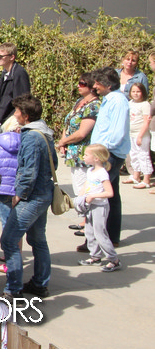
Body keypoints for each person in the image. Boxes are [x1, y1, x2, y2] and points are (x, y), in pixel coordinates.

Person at [2, 94, 56, 299]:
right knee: (38, 239)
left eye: (17, 112)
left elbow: (28, 171)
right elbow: (53, 163)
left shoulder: (31, 137)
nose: (15, 115)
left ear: (25, 115)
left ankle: (13, 289)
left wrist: (19, 194)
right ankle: (40, 284)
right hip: (44, 193)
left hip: (32, 197)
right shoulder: (44, 132)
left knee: (9, 240)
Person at [89, 67, 130, 248]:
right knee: (112, 197)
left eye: (97, 84)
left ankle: (96, 240)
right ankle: (112, 236)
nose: (95, 87)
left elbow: (117, 133)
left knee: (99, 194)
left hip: (109, 154)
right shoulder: (110, 99)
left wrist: (102, 152)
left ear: (108, 85)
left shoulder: (118, 101)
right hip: (106, 153)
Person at [75, 144, 120, 272]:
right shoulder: (90, 171)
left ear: (96, 158)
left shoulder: (102, 173)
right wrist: (80, 197)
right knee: (89, 232)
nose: (83, 157)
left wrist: (93, 196)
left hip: (100, 207)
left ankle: (114, 259)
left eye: (86, 155)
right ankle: (95, 256)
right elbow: (86, 185)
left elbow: (109, 193)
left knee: (100, 233)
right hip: (90, 206)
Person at [56, 72, 101, 197]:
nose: (78, 86)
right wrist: (63, 141)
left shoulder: (94, 106)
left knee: (83, 191)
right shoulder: (80, 101)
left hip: (84, 154)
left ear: (91, 87)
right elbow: (69, 122)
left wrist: (63, 142)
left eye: (82, 84)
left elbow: (82, 133)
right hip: (73, 152)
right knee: (77, 189)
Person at [0, 120, 22, 274]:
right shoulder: (26, 141)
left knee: (6, 224)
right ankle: (17, 255)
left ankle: (10, 259)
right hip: (19, 189)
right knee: (17, 225)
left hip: (2, 188)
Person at [0, 43, 31, 130]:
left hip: (13, 123)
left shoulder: (19, 73)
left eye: (1, 56)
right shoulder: (5, 73)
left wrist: (18, 123)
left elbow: (23, 101)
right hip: (3, 122)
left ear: (12, 57)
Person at [125, 82, 152, 188]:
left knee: (143, 155)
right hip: (131, 133)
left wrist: (140, 136)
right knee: (133, 155)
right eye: (133, 91)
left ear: (143, 92)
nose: (135, 94)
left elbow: (146, 122)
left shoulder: (145, 104)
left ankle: (146, 179)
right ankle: (136, 176)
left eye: (138, 91)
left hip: (141, 135)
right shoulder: (130, 103)